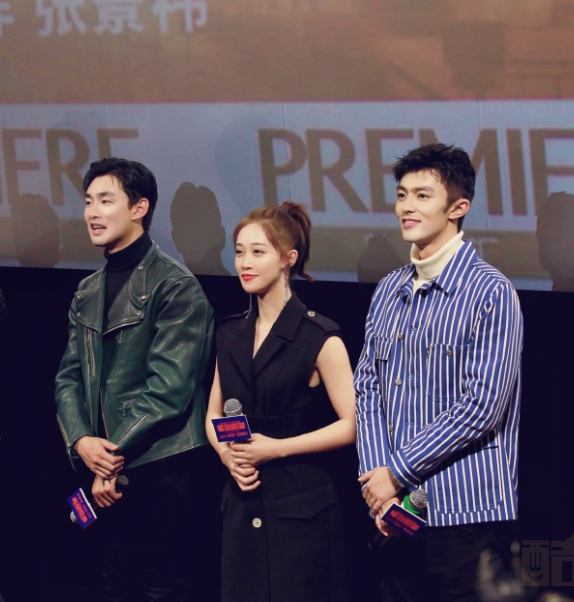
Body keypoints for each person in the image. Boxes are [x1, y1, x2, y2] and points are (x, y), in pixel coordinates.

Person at [354, 143, 523, 602]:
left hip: (463, 512)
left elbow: (482, 406)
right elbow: (367, 387)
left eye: (422, 195)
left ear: (458, 207)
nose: (407, 207)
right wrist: (379, 482)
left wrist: (397, 472)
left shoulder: (491, 292)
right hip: (392, 511)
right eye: (402, 195)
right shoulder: (388, 289)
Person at [54, 157, 214, 601]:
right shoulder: (87, 290)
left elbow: (168, 391)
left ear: (139, 208)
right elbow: (68, 378)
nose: (93, 212)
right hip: (103, 468)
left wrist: (108, 455)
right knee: (111, 584)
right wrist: (81, 441)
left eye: (106, 201)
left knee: (161, 588)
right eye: (88, 201)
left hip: (160, 467)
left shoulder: (175, 286)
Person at [206, 202, 355, 602]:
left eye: (258, 251)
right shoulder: (229, 333)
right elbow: (214, 413)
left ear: (288, 259)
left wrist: (276, 448)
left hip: (301, 509)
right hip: (241, 501)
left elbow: (352, 424)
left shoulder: (319, 336)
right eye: (240, 251)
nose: (244, 262)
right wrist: (227, 456)